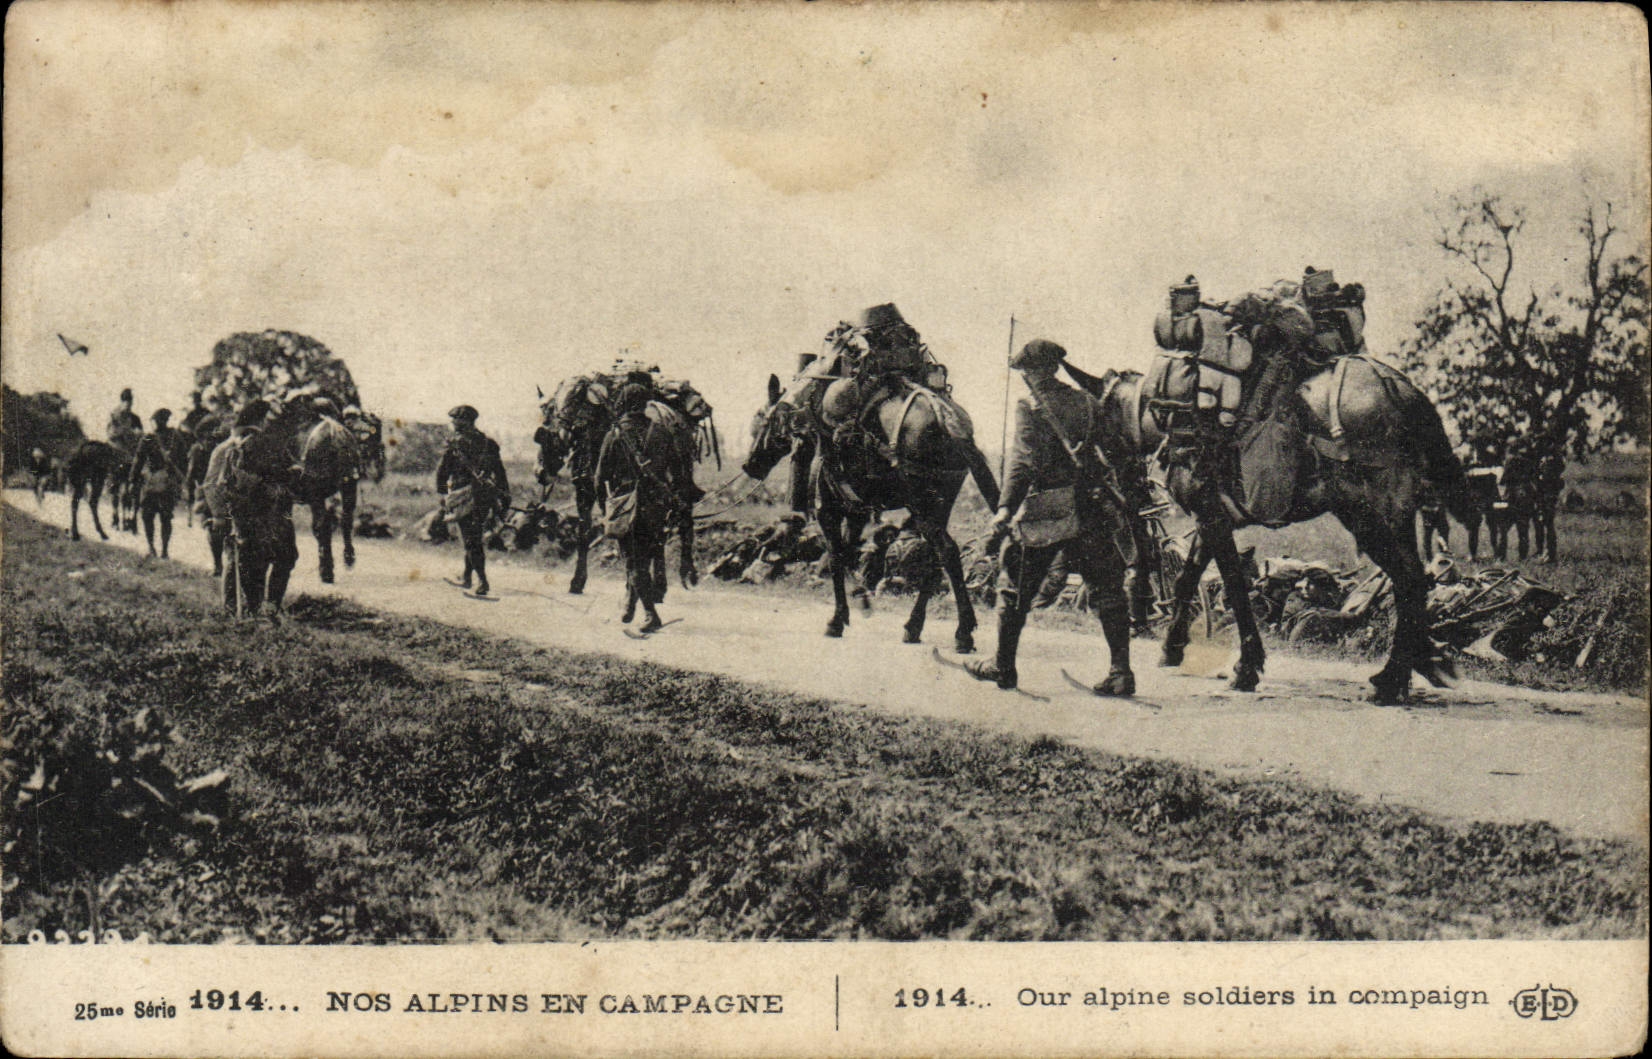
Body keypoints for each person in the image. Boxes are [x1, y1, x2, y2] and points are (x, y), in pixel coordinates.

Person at [966, 339, 1135, 695]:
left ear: (1031, 372)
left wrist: (1005, 508)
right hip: (1091, 507)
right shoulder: (1086, 401)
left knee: (1013, 586)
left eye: (1025, 371)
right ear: (1055, 368)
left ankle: (1002, 666)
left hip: (1046, 511)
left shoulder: (1029, 406)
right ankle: (1121, 672)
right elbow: (1114, 448)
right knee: (1108, 589)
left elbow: (1022, 462)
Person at [202, 399, 298, 620]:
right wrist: (220, 515)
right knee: (241, 561)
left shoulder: (258, 445)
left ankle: (259, 607)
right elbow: (212, 485)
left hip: (260, 513)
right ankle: (237, 609)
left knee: (258, 559)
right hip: (243, 513)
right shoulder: (229, 449)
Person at [435, 404, 510, 596]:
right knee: (474, 536)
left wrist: (443, 494)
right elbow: (500, 472)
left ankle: (482, 582)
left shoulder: (455, 445)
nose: (453, 423)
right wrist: (505, 494)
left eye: (455, 420)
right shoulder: (489, 443)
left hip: (463, 497)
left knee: (471, 540)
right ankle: (467, 576)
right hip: (485, 496)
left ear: (464, 421)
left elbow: (442, 472)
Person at [128, 408, 182, 558]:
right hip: (163, 480)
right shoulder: (173, 437)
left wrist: (132, 480)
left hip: (155, 481)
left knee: (154, 516)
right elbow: (139, 460)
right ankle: (158, 548)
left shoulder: (151, 438)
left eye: (159, 421)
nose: (157, 423)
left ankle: (158, 548)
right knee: (159, 516)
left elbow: (138, 460)